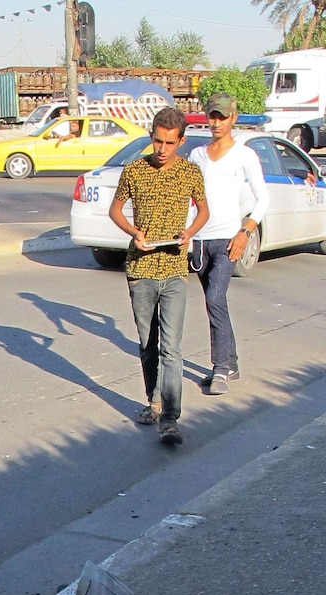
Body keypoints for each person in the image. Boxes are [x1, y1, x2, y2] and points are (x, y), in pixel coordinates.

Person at [109, 106, 209, 446]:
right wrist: (133, 231)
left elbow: (203, 210)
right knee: (148, 345)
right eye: (157, 141)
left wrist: (189, 231)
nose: (162, 149)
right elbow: (115, 209)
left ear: (180, 141)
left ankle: (169, 418)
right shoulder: (135, 170)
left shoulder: (191, 172)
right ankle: (153, 401)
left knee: (172, 348)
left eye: (169, 143)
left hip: (175, 270)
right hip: (141, 269)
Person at [187, 93, 269, 394]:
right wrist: (186, 235)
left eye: (222, 117)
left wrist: (245, 232)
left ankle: (219, 368)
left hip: (227, 241)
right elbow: (190, 201)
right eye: (212, 116)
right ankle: (231, 361)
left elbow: (263, 198)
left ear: (233, 118)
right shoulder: (197, 155)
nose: (216, 122)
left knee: (214, 298)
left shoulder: (244, 155)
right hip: (200, 240)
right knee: (214, 303)